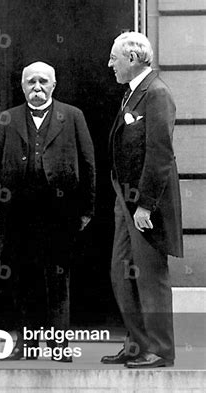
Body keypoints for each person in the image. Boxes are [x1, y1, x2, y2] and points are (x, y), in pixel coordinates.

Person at [0, 61, 95, 361]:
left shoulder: (72, 116)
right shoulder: (9, 118)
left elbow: (88, 165)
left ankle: (59, 347)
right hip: (16, 213)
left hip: (59, 213)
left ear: (53, 86)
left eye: (43, 82)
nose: (37, 87)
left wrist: (86, 209)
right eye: (31, 82)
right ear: (23, 87)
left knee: (58, 280)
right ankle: (26, 347)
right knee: (20, 280)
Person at [101, 32, 183, 368]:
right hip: (126, 201)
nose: (110, 65)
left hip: (147, 205)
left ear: (133, 58)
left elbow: (160, 152)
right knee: (121, 272)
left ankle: (160, 349)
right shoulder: (132, 95)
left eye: (114, 58)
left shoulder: (156, 93)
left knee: (150, 276)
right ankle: (137, 345)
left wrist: (146, 204)